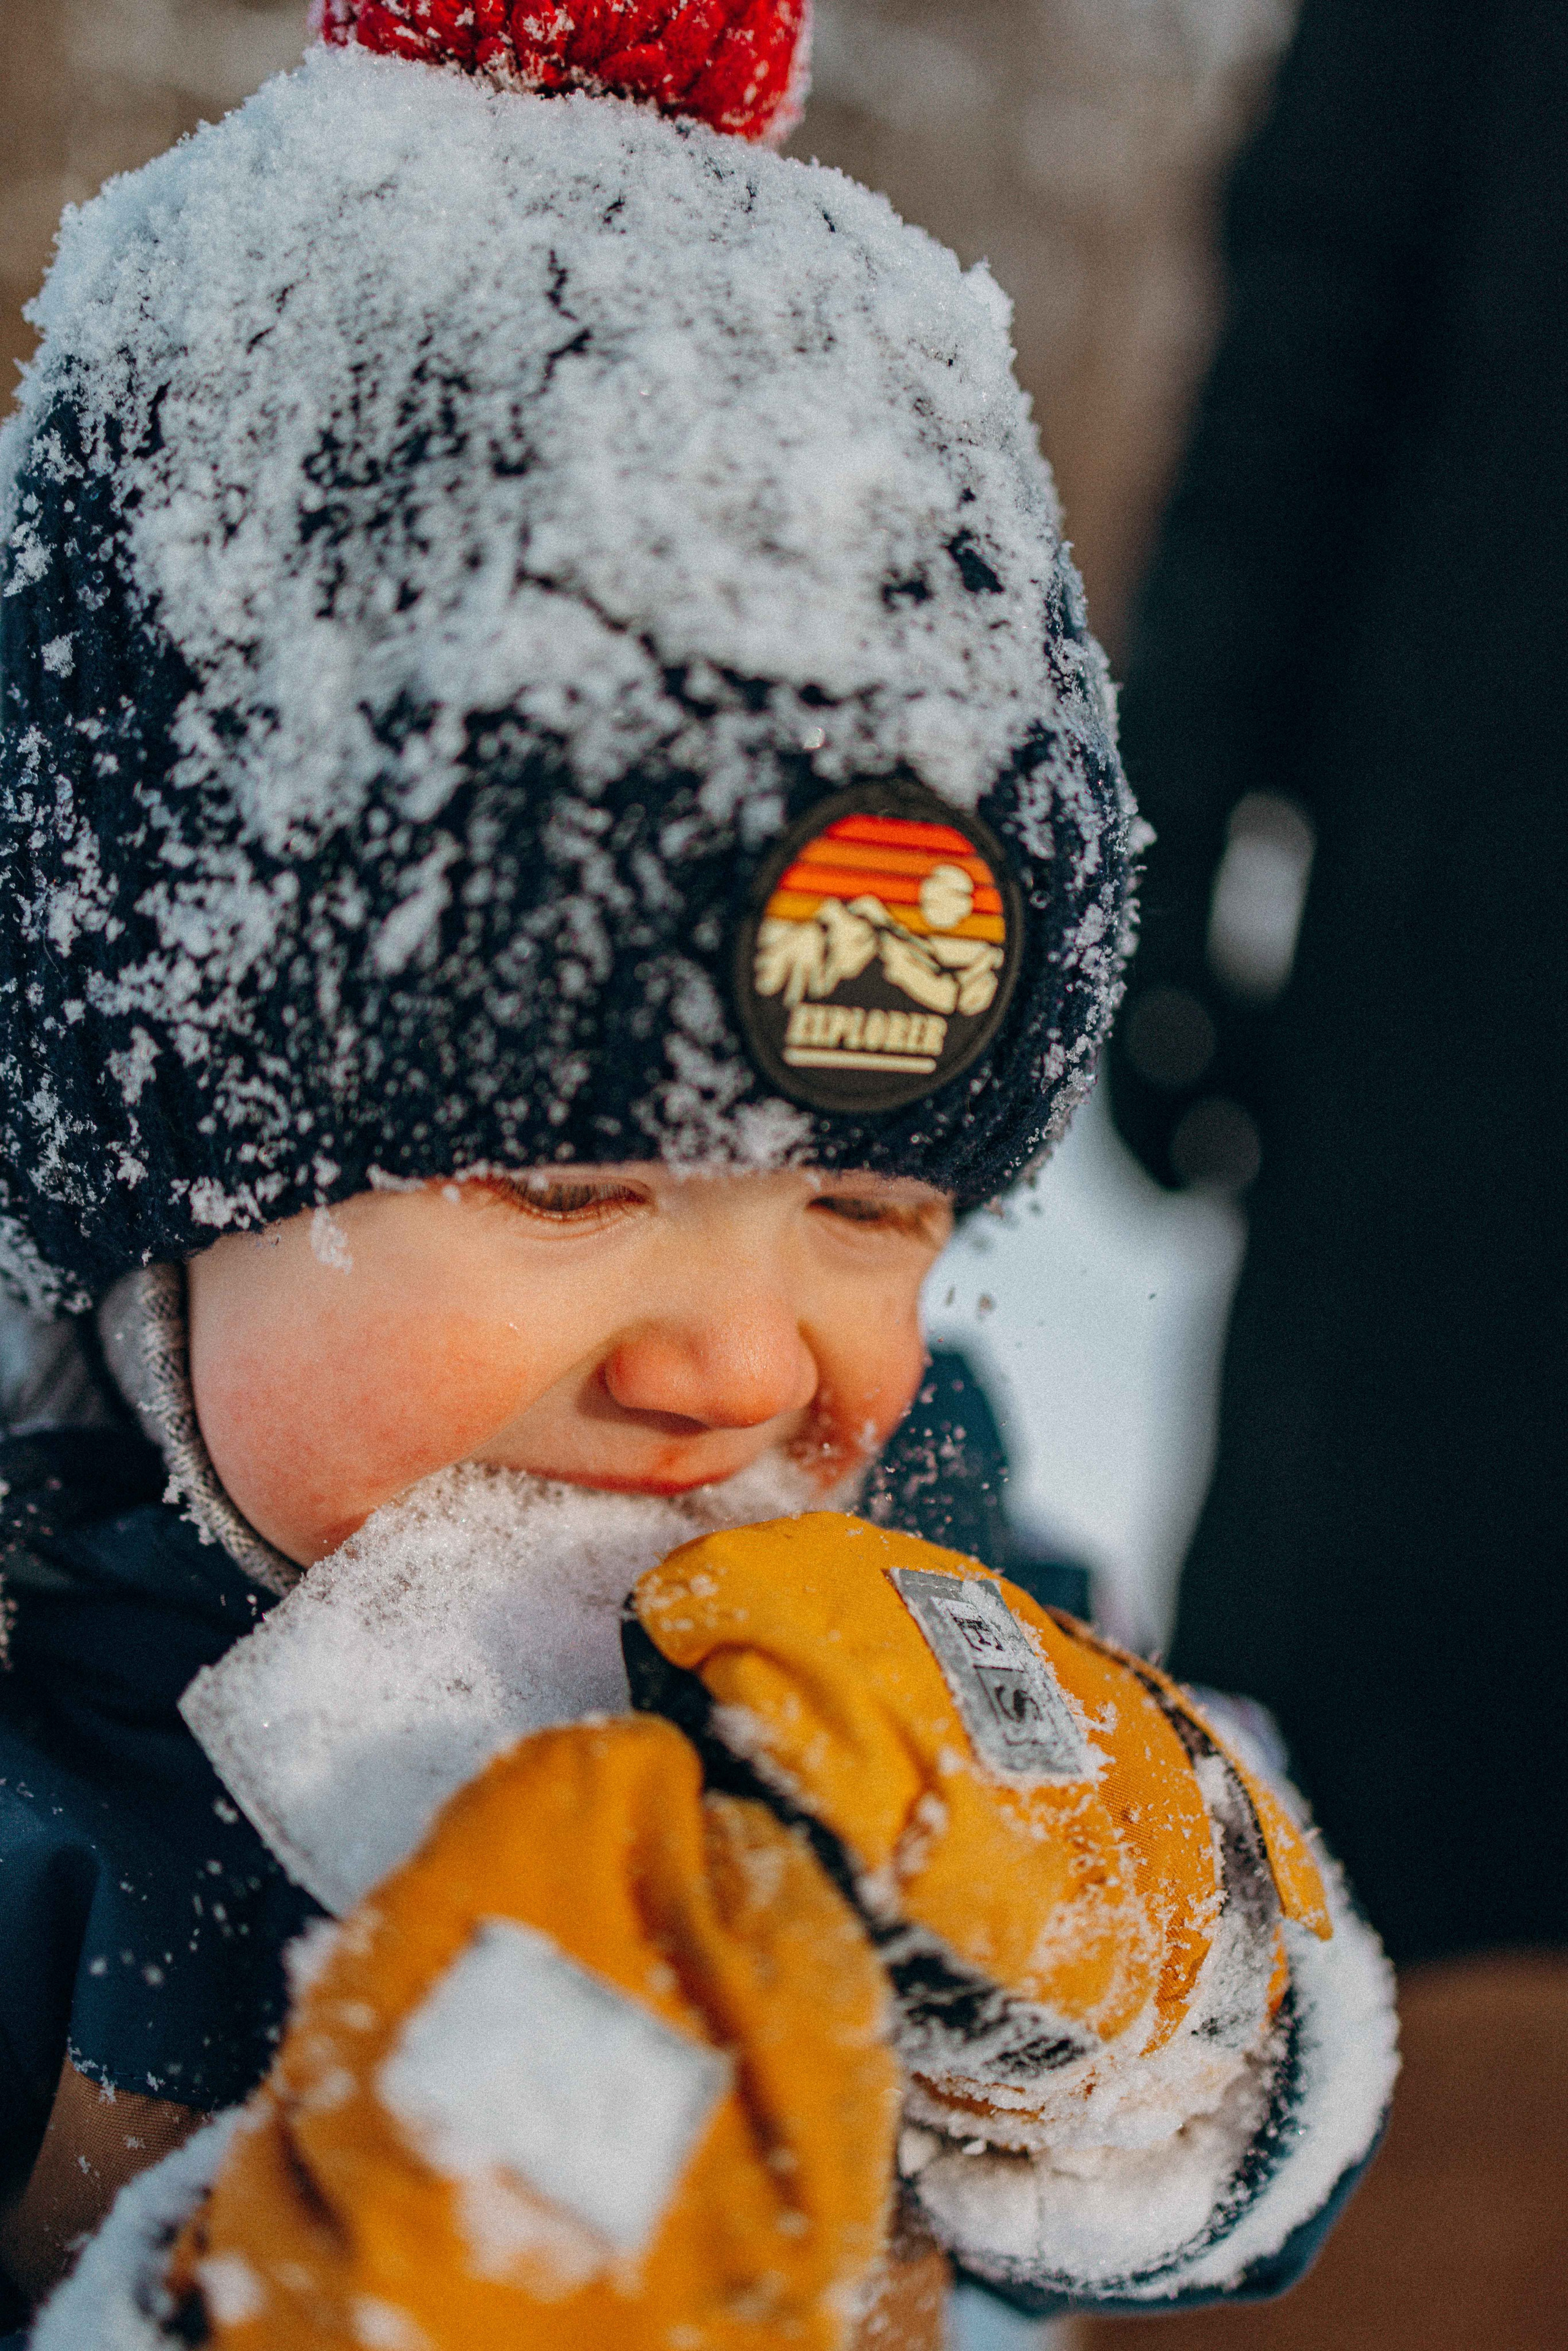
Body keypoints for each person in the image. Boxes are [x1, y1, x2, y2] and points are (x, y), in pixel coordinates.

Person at [0, 6, 1395, 2340]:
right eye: (565, 1186)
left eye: (872, 1210)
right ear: (162, 1155)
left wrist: (1168, 2020)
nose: (746, 1362)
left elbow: (1229, 2167)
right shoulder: (51, 1726)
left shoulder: (924, 1558)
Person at [1104, 0, 1568, 2341]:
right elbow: (1320, 325)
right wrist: (1164, 843)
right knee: (1361, 1818)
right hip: (1480, 1007)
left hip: (1464, 982)